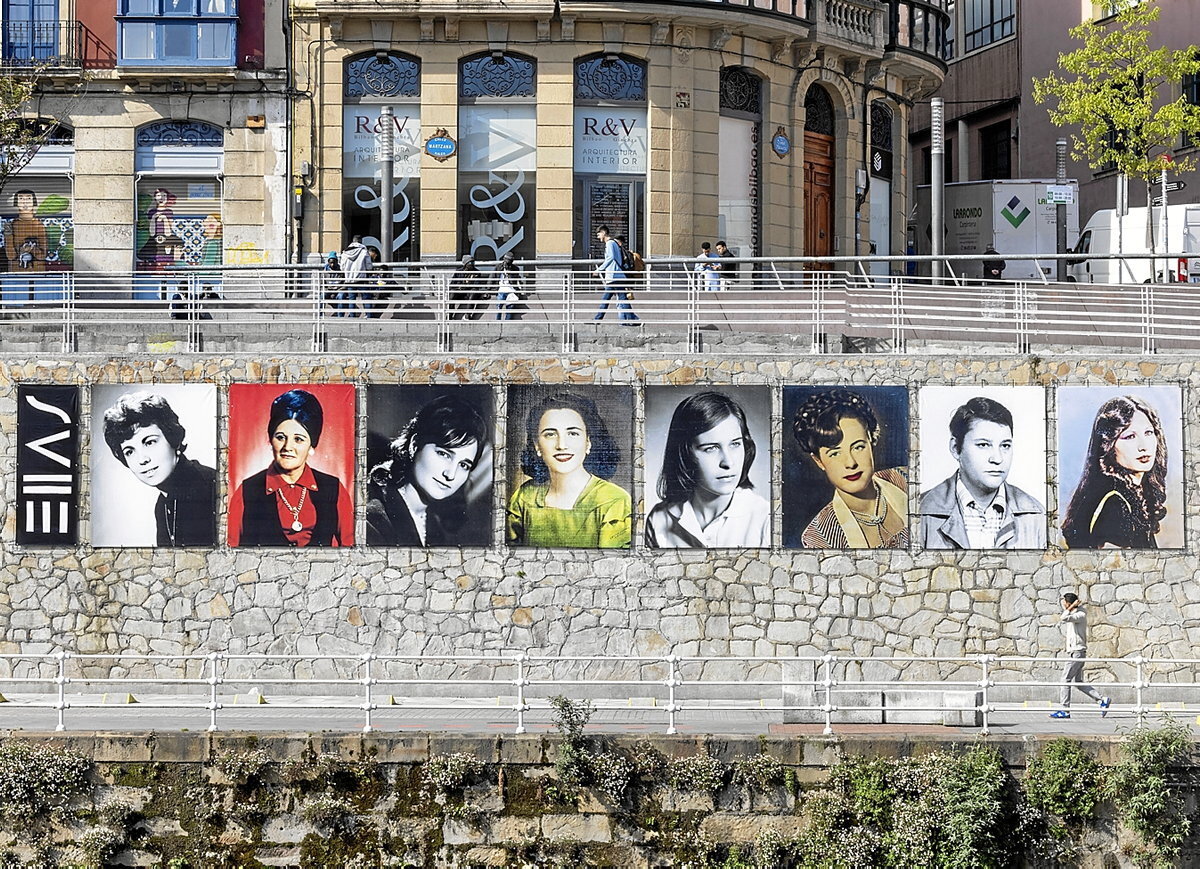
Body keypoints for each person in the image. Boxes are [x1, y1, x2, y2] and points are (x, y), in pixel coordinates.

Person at [228, 389, 353, 547]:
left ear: (312, 446)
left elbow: (350, 549)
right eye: (280, 437)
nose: (288, 447)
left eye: (298, 439)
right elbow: (230, 552)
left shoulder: (334, 489)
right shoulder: (246, 492)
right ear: (270, 440)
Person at [918, 396, 1045, 549]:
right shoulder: (920, 511)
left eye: (1005, 446)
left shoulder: (1036, 515)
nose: (997, 458)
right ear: (955, 448)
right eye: (984, 444)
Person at [507, 392, 631, 548]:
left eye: (573, 433)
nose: (562, 445)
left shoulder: (614, 500)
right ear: (537, 445)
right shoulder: (525, 497)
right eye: (550, 434)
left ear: (588, 443)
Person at [646, 392, 770, 548]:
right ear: (684, 454)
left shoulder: (766, 518)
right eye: (711, 448)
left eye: (735, 444)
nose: (728, 462)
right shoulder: (658, 519)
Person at [366, 394, 489, 546]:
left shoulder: (433, 525)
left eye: (464, 465)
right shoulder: (373, 519)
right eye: (444, 454)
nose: (451, 474)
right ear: (414, 445)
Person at [791, 389, 908, 549]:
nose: (850, 463)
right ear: (818, 461)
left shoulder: (905, 479)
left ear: (872, 439)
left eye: (858, 447)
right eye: (835, 453)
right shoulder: (818, 537)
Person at [101, 391, 216, 547]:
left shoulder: (210, 487)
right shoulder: (162, 505)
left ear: (172, 437)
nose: (142, 460)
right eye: (129, 451)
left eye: (149, 442)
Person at [1061, 395, 1168, 549]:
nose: (1143, 446)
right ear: (1108, 445)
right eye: (1130, 436)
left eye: (1148, 433)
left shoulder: (1130, 493)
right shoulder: (1114, 503)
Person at [1050, 592, 1110, 720]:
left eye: (1065, 603)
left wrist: (1071, 608)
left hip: (1077, 652)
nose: (1064, 605)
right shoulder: (1075, 613)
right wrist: (1071, 608)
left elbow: (1063, 618)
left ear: (1070, 603)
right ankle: (1102, 700)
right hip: (1075, 651)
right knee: (1078, 682)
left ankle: (1065, 710)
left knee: (1065, 679)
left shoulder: (1080, 615)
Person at [592, 225, 638, 323]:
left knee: (609, 299)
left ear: (604, 233)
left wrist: (599, 270)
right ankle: (633, 319)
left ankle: (598, 319)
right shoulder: (615, 243)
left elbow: (611, 258)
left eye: (598, 234)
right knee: (621, 299)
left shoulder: (609, 243)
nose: (598, 236)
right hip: (617, 276)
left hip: (613, 277)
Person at [5, 189, 46, 273]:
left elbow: (43, 255)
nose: (25, 202)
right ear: (16, 202)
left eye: (28, 198)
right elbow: (10, 256)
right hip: (16, 273)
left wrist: (31, 249)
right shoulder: (12, 225)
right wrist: (8, 235)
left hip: (38, 272)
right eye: (21, 198)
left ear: (34, 202)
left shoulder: (39, 225)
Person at [335, 235, 371, 317]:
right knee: (366, 298)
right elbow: (369, 266)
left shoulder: (345, 252)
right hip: (361, 278)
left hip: (349, 279)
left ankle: (352, 316)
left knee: (352, 299)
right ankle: (369, 316)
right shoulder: (363, 251)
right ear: (360, 241)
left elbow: (342, 267)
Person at [449, 254, 488, 321]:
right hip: (460, 292)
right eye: (470, 262)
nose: (472, 264)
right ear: (465, 264)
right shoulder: (459, 272)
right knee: (452, 294)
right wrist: (458, 287)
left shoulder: (477, 273)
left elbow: (477, 286)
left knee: (473, 292)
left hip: (469, 293)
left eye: (473, 262)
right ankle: (449, 315)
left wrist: (470, 284)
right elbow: (452, 284)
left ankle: (468, 315)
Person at [494, 252, 525, 321]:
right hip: (501, 289)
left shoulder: (515, 269)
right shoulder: (499, 267)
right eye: (505, 260)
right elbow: (492, 277)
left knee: (510, 307)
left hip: (511, 290)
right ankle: (497, 321)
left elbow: (516, 281)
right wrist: (489, 289)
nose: (506, 263)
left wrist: (509, 272)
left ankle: (507, 322)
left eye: (508, 261)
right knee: (499, 304)